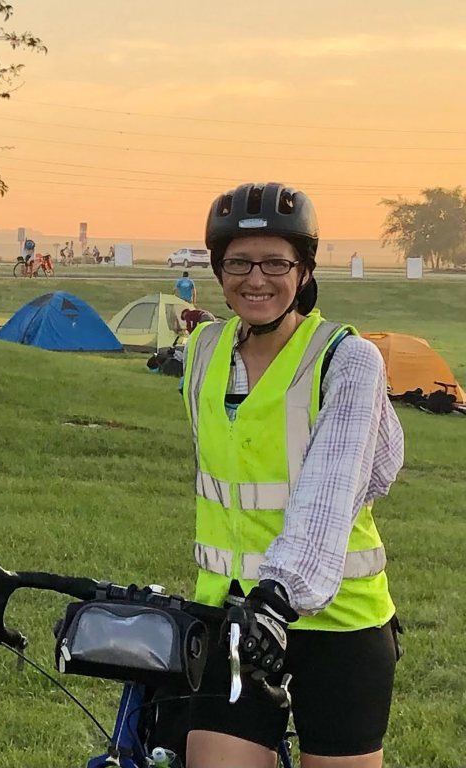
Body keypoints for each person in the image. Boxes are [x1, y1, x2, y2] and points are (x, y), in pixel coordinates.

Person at [183, 182, 403, 767]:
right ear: (218, 267)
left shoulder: (348, 358)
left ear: (303, 271)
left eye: (276, 263)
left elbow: (340, 486)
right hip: (231, 617)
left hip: (338, 625)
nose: (256, 279)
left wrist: (279, 598)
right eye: (238, 263)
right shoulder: (203, 350)